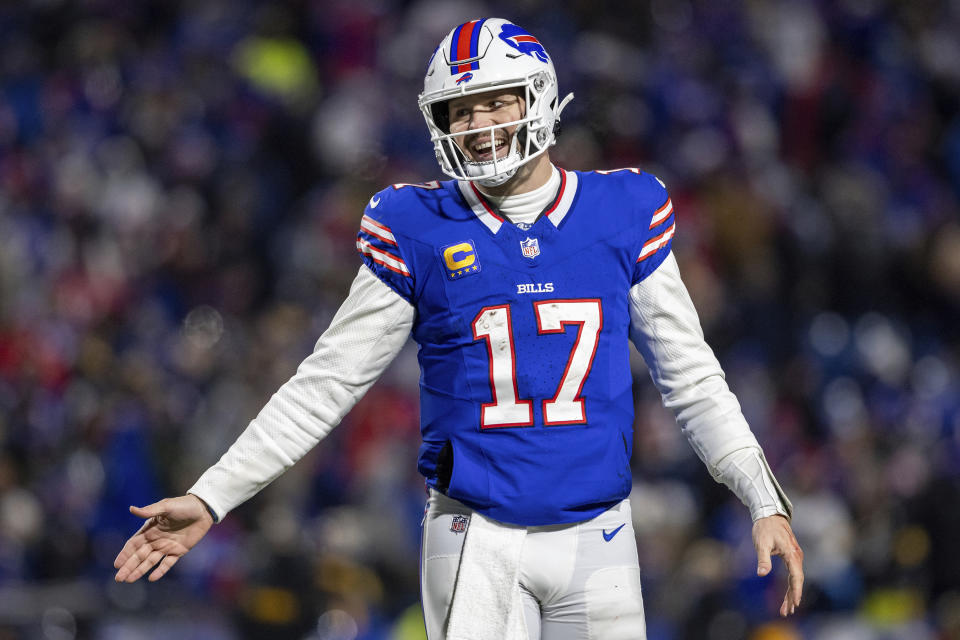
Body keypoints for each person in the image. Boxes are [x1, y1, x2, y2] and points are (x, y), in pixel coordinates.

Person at [115, 18, 804, 639]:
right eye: (460, 109)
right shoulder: (415, 226)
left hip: (600, 532)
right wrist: (214, 493)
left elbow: (690, 375)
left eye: (496, 100)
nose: (477, 122)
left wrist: (760, 496)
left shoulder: (622, 209)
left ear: (538, 97)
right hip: (477, 534)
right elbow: (327, 383)